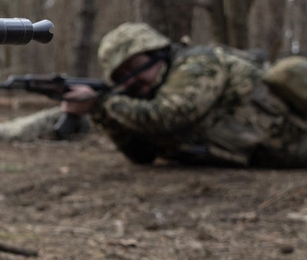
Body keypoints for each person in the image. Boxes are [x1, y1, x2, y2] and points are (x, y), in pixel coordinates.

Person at [61, 22, 307, 167]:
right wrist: (102, 114)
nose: (133, 79)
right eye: (123, 74)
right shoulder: (142, 100)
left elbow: (171, 114)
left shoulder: (199, 64)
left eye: (135, 67)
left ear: (158, 53)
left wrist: (102, 102)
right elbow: (141, 155)